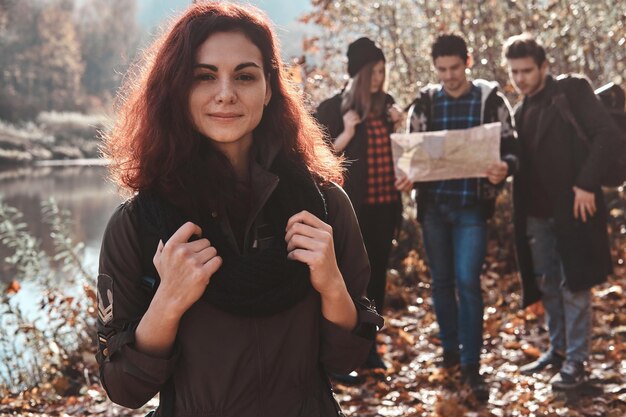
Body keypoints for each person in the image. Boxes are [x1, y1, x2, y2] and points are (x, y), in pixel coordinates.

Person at [94, 3, 383, 416]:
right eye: (204, 76)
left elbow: (347, 361)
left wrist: (332, 284)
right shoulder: (137, 225)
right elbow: (123, 387)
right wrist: (168, 302)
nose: (225, 93)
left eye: (245, 76)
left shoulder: (324, 208)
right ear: (177, 89)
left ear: (269, 89)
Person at [406, 34, 518, 401]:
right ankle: (450, 351)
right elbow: (410, 157)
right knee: (441, 283)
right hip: (434, 208)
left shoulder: (489, 101)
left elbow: (513, 148)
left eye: (455, 68)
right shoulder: (425, 103)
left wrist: (506, 168)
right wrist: (407, 174)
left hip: (472, 205)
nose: (449, 76)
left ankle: (472, 363)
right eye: (442, 70)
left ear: (467, 62)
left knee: (467, 282)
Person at [503, 34, 619, 390]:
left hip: (575, 209)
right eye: (514, 72)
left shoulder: (571, 91)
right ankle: (558, 351)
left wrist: (586, 184)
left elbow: (607, 135)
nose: (520, 78)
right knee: (549, 285)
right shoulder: (520, 110)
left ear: (543, 67)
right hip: (537, 217)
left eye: (526, 71)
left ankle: (577, 362)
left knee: (575, 284)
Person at [315, 37, 412, 372]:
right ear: (357, 74)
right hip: (350, 213)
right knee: (348, 279)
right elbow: (317, 162)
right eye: (372, 71)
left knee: (378, 277)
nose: (378, 78)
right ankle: (342, 353)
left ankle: (370, 348)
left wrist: (400, 127)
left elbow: (406, 156)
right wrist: (346, 132)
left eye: (383, 72)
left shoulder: (388, 107)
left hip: (385, 208)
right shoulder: (333, 108)